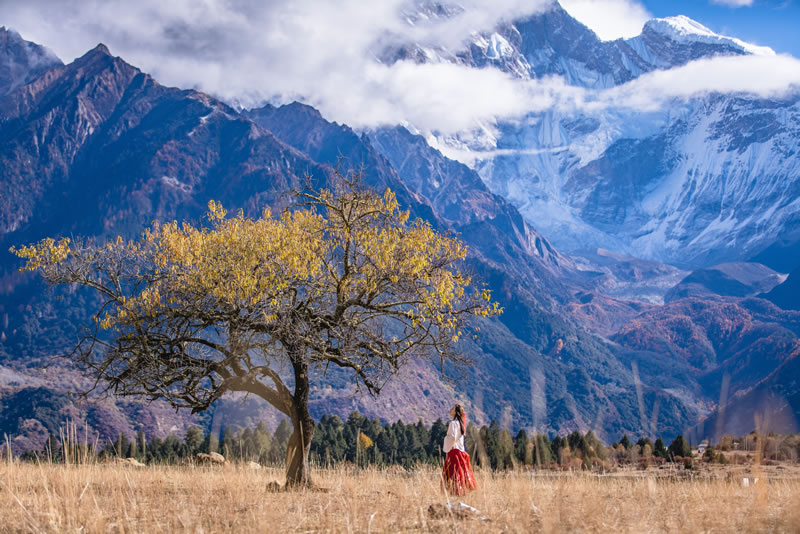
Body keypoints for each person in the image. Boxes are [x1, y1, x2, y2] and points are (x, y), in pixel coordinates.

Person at [441, 404, 477, 496]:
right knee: (460, 473)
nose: (450, 409)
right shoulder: (461, 424)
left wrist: (446, 439)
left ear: (455, 412)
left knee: (453, 473)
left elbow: (452, 437)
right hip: (460, 451)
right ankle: (460, 492)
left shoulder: (453, 423)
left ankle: (454, 492)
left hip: (453, 451)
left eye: (452, 408)